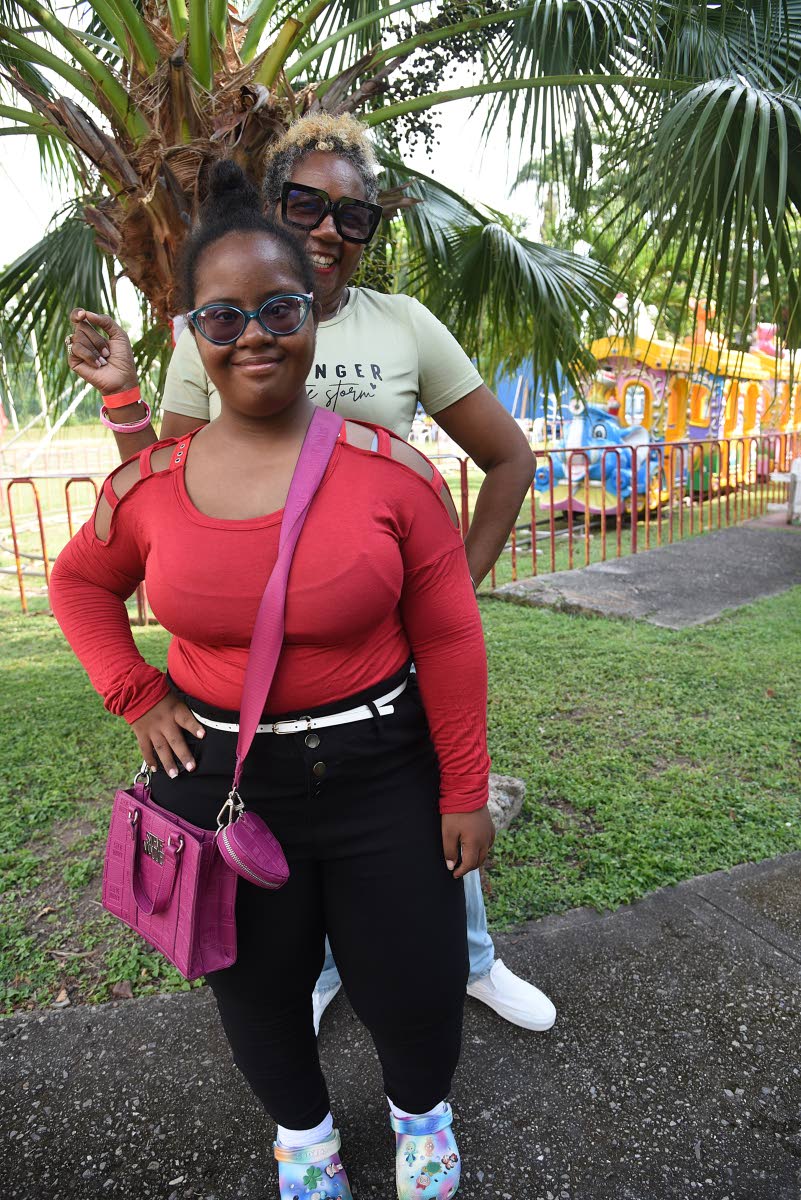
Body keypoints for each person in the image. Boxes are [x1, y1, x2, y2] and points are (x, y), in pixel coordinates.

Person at [52, 161, 495, 1199]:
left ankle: (420, 1119)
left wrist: (465, 788)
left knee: (417, 979)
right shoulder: (150, 484)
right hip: (222, 780)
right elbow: (79, 586)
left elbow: (452, 636)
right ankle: (305, 1139)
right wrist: (136, 692)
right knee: (254, 985)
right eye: (225, 315)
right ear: (192, 331)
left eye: (279, 309)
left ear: (310, 319)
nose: (255, 334)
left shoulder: (396, 472)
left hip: (384, 765)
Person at [66, 112, 555, 1037]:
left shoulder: (403, 324)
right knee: (291, 844)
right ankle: (332, 967)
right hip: (243, 673)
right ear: (273, 210)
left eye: (355, 215)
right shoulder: (209, 325)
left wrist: (456, 578)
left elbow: (508, 457)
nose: (331, 228)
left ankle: (472, 964)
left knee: (422, 826)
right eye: (308, 205)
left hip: (374, 628)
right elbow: (168, 482)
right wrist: (126, 401)